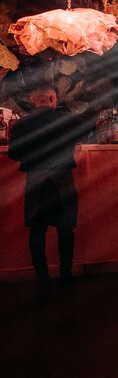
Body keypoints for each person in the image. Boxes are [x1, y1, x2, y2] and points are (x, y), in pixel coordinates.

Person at [6, 83, 85, 291]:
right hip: (62, 179)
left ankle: (42, 278)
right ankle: (65, 275)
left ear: (33, 100)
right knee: (65, 229)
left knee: (37, 231)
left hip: (36, 180)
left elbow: (14, 153)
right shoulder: (68, 120)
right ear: (52, 99)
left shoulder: (22, 125)